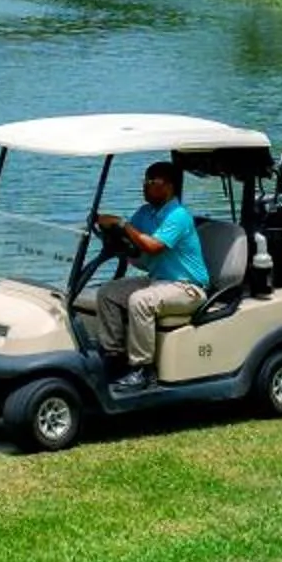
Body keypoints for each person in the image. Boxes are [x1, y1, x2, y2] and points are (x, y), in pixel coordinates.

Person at [82, 160, 208, 390]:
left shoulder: (178, 216)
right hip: (158, 282)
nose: (145, 186)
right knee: (109, 293)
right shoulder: (146, 212)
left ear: (168, 186)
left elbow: (152, 246)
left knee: (140, 301)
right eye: (145, 181)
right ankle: (114, 358)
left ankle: (142, 371)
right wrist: (109, 229)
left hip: (188, 288)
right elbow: (132, 236)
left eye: (151, 182)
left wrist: (122, 223)